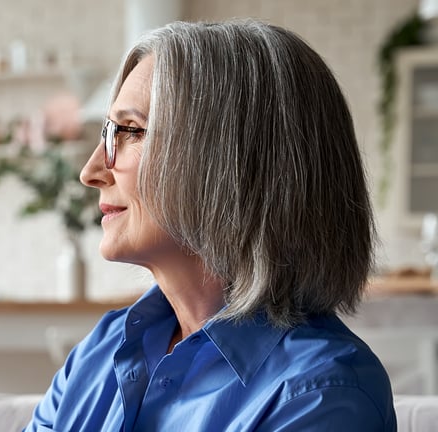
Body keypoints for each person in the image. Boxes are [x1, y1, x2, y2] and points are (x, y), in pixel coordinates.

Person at [25, 20, 396, 431]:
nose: (91, 171)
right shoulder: (101, 350)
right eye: (108, 132)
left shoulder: (322, 395)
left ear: (233, 161)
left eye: (129, 131)